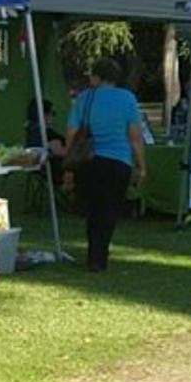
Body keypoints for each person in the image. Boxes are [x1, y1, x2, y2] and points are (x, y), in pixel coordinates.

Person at [63, 57, 147, 272]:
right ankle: (100, 254)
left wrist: (68, 156)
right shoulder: (127, 99)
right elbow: (135, 136)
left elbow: (72, 131)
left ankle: (94, 251)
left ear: (97, 77)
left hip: (89, 160)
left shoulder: (84, 98)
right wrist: (141, 165)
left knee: (93, 209)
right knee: (109, 209)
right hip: (118, 161)